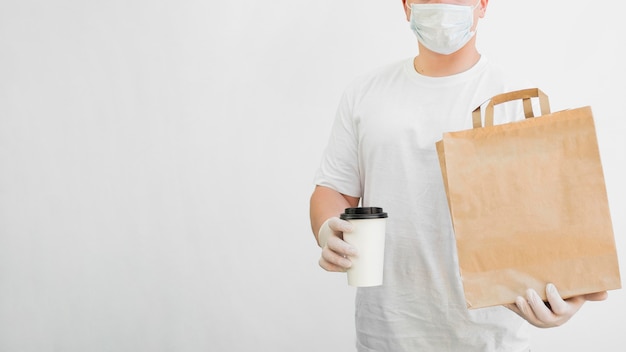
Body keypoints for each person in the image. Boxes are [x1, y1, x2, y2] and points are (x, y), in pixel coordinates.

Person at [309, 0, 608, 350]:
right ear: (406, 5)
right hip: (387, 332)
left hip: (491, 337)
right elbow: (334, 190)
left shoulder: (514, 98)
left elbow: (554, 222)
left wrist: (569, 298)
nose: (441, 4)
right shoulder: (365, 93)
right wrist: (327, 228)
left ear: (483, 4)